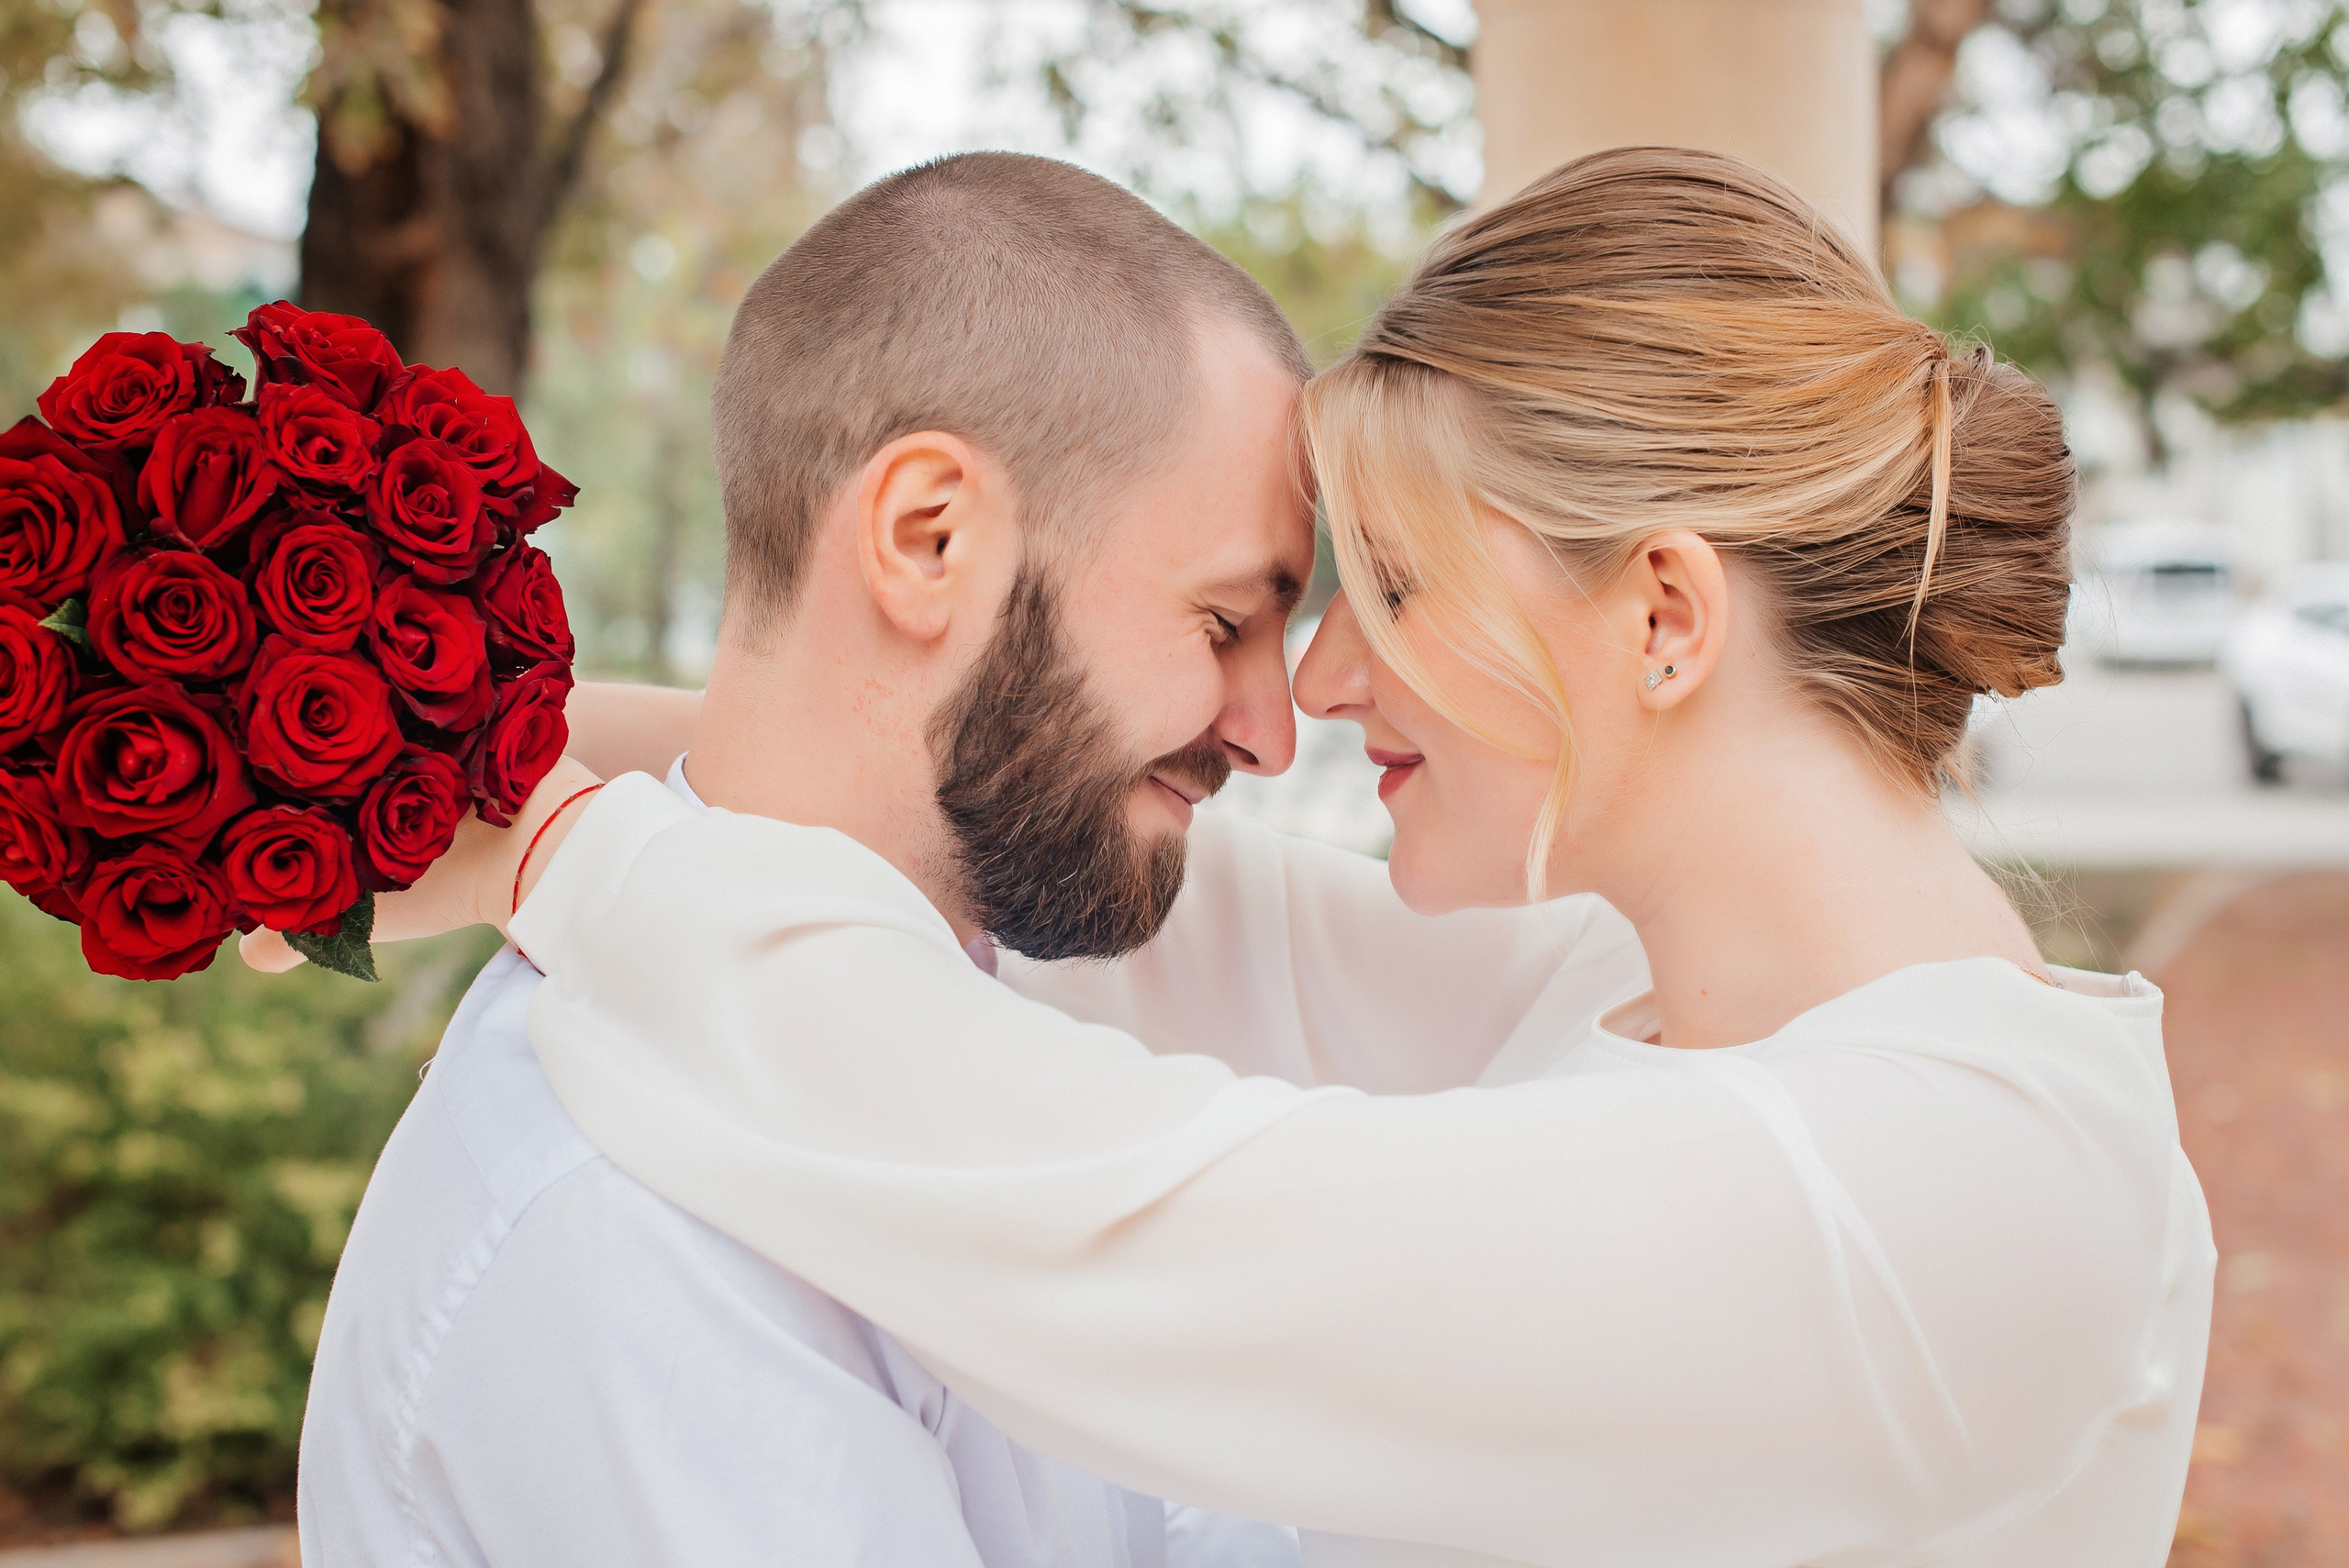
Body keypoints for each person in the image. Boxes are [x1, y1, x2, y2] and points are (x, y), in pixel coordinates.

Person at [291, 150, 2215, 1567]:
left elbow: (1130, 1211)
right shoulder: (1621, 994)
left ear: (1656, 620)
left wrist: (574, 857)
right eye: (1254, 607)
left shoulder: (1941, 1190)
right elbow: (974, 816)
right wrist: (368, 744)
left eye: (1379, 584)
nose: (1305, 692)